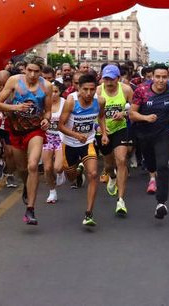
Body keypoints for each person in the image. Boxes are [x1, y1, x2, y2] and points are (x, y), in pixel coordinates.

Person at [0, 57, 51, 225]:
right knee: (22, 168)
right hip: (16, 130)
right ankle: (27, 186)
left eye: (37, 71)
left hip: (35, 130)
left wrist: (46, 120)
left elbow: (47, 111)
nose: (33, 74)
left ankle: (30, 210)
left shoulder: (46, 87)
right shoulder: (14, 81)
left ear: (41, 72)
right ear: (25, 69)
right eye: (30, 70)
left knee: (33, 165)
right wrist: (15, 107)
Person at [130, 64, 169, 219]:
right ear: (152, 77)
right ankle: (151, 171)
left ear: (168, 77)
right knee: (151, 164)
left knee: (162, 166)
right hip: (144, 135)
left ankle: (161, 202)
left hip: (163, 134)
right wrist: (146, 118)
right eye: (158, 77)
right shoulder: (142, 91)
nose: (161, 80)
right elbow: (132, 113)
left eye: (164, 77)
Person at [58, 73, 108, 226]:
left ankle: (88, 213)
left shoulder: (99, 101)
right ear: (78, 88)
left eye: (92, 89)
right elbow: (60, 125)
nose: (88, 93)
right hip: (69, 144)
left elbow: (101, 117)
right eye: (85, 89)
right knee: (70, 175)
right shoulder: (71, 102)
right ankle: (77, 175)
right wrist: (75, 134)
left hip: (88, 142)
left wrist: (104, 133)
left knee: (93, 174)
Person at [95, 64, 134, 216]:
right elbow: (94, 114)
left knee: (122, 160)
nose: (109, 82)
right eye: (106, 79)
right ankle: (111, 176)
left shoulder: (126, 90)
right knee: (109, 164)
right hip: (103, 130)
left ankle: (121, 200)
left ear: (118, 78)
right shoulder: (98, 91)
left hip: (120, 129)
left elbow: (134, 108)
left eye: (112, 79)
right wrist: (102, 131)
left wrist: (124, 113)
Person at [40, 81, 65, 204]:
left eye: (56, 91)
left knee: (58, 167)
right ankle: (52, 191)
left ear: (60, 92)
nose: (54, 94)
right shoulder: (43, 103)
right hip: (47, 138)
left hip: (61, 138)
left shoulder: (65, 103)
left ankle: (61, 173)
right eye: (51, 92)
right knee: (48, 168)